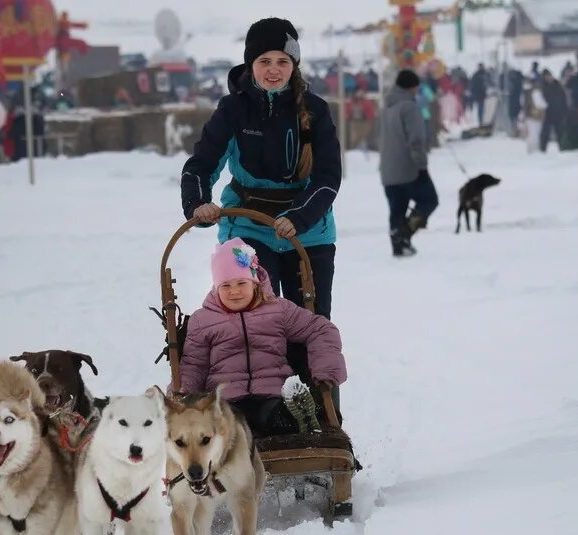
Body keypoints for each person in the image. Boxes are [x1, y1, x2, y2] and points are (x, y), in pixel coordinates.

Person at [181, 17, 341, 319]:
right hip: (247, 227)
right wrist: (198, 202)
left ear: (294, 65)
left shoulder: (316, 110)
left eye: (283, 61)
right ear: (250, 63)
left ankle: (312, 369)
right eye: (264, 60)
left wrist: (299, 217)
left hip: (307, 231)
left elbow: (327, 177)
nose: (274, 69)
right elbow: (201, 164)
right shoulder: (233, 110)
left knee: (309, 327)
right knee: (252, 324)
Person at [179, 238, 347, 437]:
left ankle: (299, 417)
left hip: (273, 394)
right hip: (226, 400)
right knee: (231, 429)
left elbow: (320, 329)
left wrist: (324, 372)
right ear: (216, 287)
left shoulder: (278, 309)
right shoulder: (203, 320)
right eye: (225, 286)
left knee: (276, 419)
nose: (234, 291)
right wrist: (184, 396)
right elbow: (194, 365)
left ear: (254, 282)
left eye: (241, 282)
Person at [379, 69, 437, 258]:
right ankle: (405, 233)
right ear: (413, 87)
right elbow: (416, 140)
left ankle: (399, 244)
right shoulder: (409, 107)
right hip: (408, 169)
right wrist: (422, 166)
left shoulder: (387, 107)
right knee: (429, 200)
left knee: (397, 209)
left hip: (388, 171)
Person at [540, 69, 568, 152]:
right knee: (545, 133)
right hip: (548, 113)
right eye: (546, 76)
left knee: (560, 132)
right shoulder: (543, 87)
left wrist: (565, 110)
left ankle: (562, 148)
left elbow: (563, 98)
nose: (548, 78)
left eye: (549, 76)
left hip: (558, 112)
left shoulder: (558, 85)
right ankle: (543, 149)